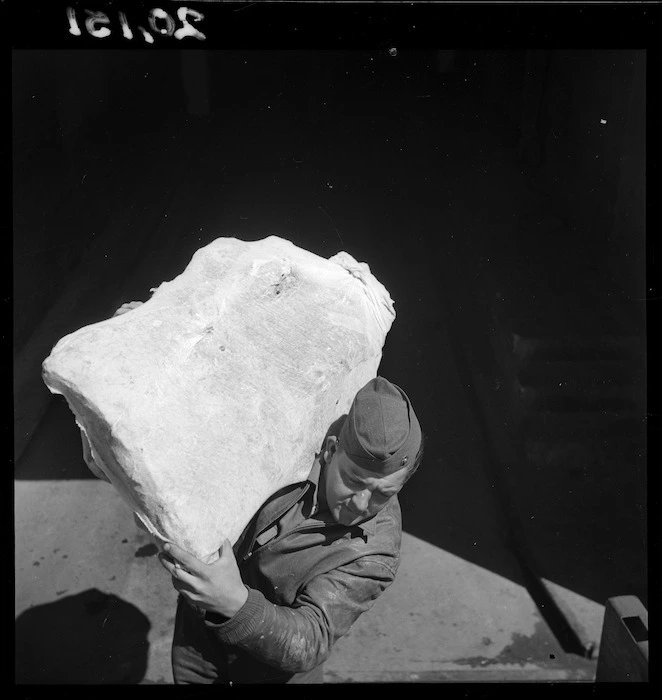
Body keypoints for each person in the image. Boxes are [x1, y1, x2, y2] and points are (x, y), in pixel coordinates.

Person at [113, 302, 424, 684]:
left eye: (383, 494)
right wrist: (151, 335)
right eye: (354, 482)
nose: (361, 505)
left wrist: (233, 601)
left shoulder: (375, 550)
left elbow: (311, 639)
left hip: (273, 668)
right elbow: (227, 384)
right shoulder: (284, 448)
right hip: (199, 641)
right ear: (329, 451)